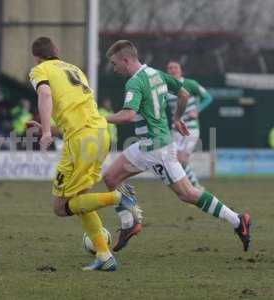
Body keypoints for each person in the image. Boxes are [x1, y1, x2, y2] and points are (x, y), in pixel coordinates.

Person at [102, 40, 251, 252]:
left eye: (115, 64)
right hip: (145, 146)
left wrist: (101, 119)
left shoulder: (134, 82)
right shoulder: (156, 74)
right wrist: (177, 118)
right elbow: (183, 93)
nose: (114, 69)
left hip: (157, 150)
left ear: (126, 60)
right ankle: (129, 223)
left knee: (188, 194)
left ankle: (238, 220)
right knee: (110, 178)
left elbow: (128, 115)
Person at [28, 37, 140, 271]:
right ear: (56, 51)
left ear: (37, 57)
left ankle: (120, 198)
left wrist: (46, 131)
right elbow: (77, 114)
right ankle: (104, 256)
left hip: (81, 141)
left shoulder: (40, 69)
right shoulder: (74, 69)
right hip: (100, 133)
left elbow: (45, 95)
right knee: (80, 199)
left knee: (61, 207)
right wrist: (50, 128)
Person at [166, 60, 213, 189]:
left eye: (175, 67)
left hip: (190, 128)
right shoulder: (165, 88)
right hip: (175, 129)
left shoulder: (190, 84)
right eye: (169, 68)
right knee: (174, 159)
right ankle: (193, 185)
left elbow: (208, 98)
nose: (172, 70)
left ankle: (194, 186)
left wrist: (197, 110)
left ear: (181, 70)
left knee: (181, 159)